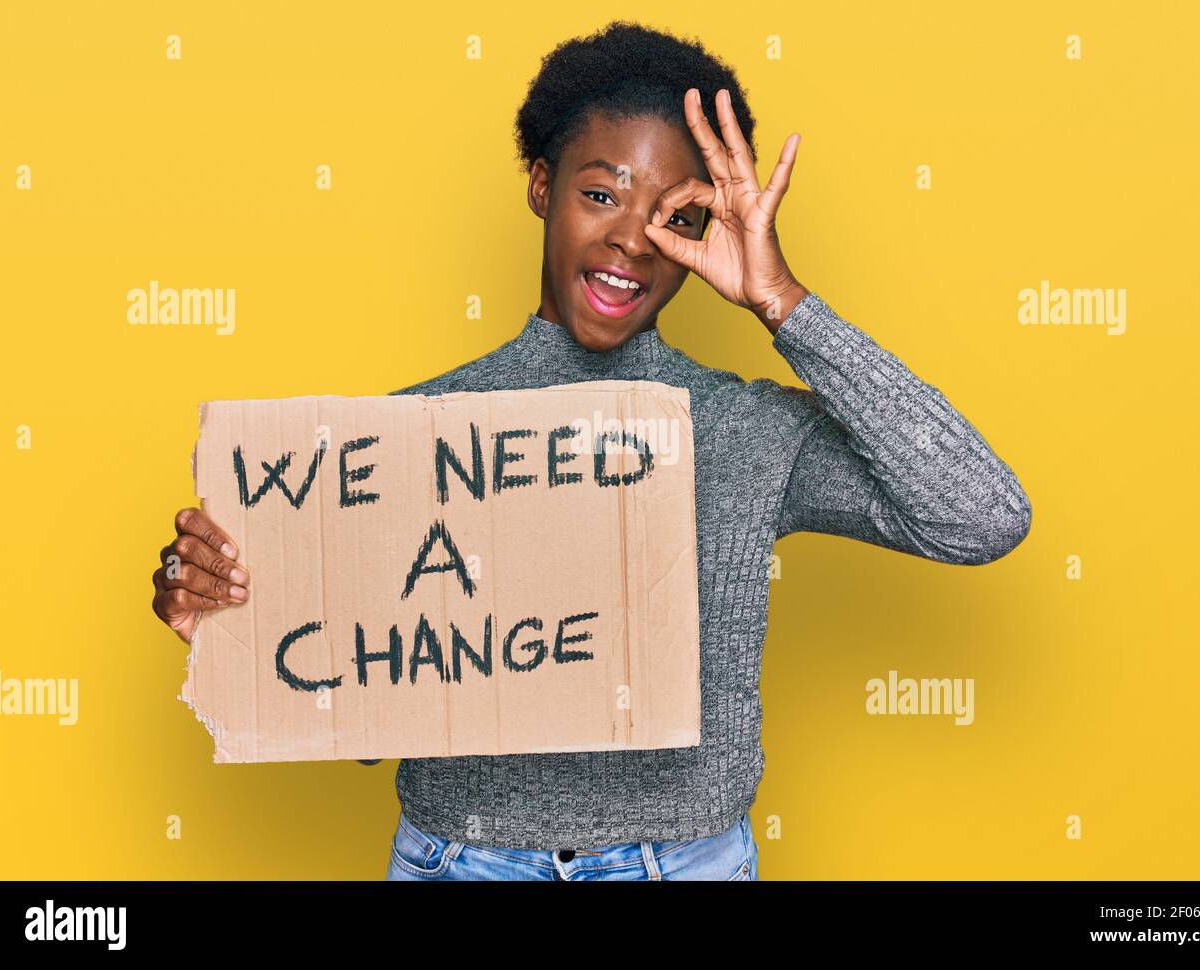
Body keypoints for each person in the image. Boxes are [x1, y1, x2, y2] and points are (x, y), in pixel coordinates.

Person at [151, 21, 1032, 881]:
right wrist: (234, 620)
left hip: (684, 863)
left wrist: (781, 300)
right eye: (601, 194)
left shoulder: (742, 429)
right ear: (542, 186)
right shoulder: (411, 436)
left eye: (672, 215)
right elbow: (365, 725)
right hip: (460, 860)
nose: (629, 238)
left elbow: (981, 515)